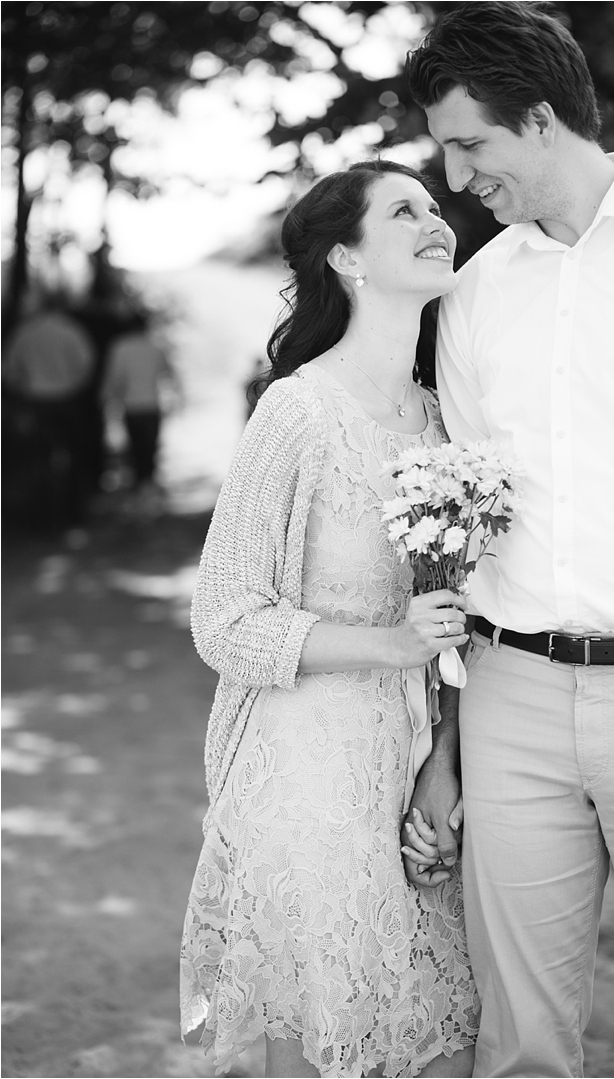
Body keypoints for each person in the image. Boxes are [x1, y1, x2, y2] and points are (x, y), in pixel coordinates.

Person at [402, 4, 614, 1078]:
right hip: (512, 693)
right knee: (520, 1040)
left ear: (539, 118)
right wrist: (446, 732)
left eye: (468, 145)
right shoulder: (475, 292)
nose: (453, 181)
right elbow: (454, 520)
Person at [180, 159, 480, 1079]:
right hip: (307, 769)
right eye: (405, 211)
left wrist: (444, 761)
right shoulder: (298, 412)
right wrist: (391, 643)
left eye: (436, 207)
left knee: (446, 1036)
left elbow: (460, 634)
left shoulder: (447, 421)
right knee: (332, 1045)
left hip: (415, 755)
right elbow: (224, 620)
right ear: (346, 256)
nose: (437, 221)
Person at [3, 295, 96, 530]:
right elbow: (86, 365)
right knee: (72, 455)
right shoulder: (71, 330)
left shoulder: (25, 332)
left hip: (36, 402)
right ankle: (72, 514)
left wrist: (23, 390)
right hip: (66, 401)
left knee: (38, 459)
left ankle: (41, 516)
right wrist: (72, 388)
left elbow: (8, 370)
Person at [101, 312, 177, 500]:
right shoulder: (155, 347)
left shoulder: (120, 348)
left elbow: (114, 377)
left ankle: (138, 490)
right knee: (150, 449)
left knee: (135, 449)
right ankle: (148, 489)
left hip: (131, 406)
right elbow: (168, 373)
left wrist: (107, 399)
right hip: (151, 405)